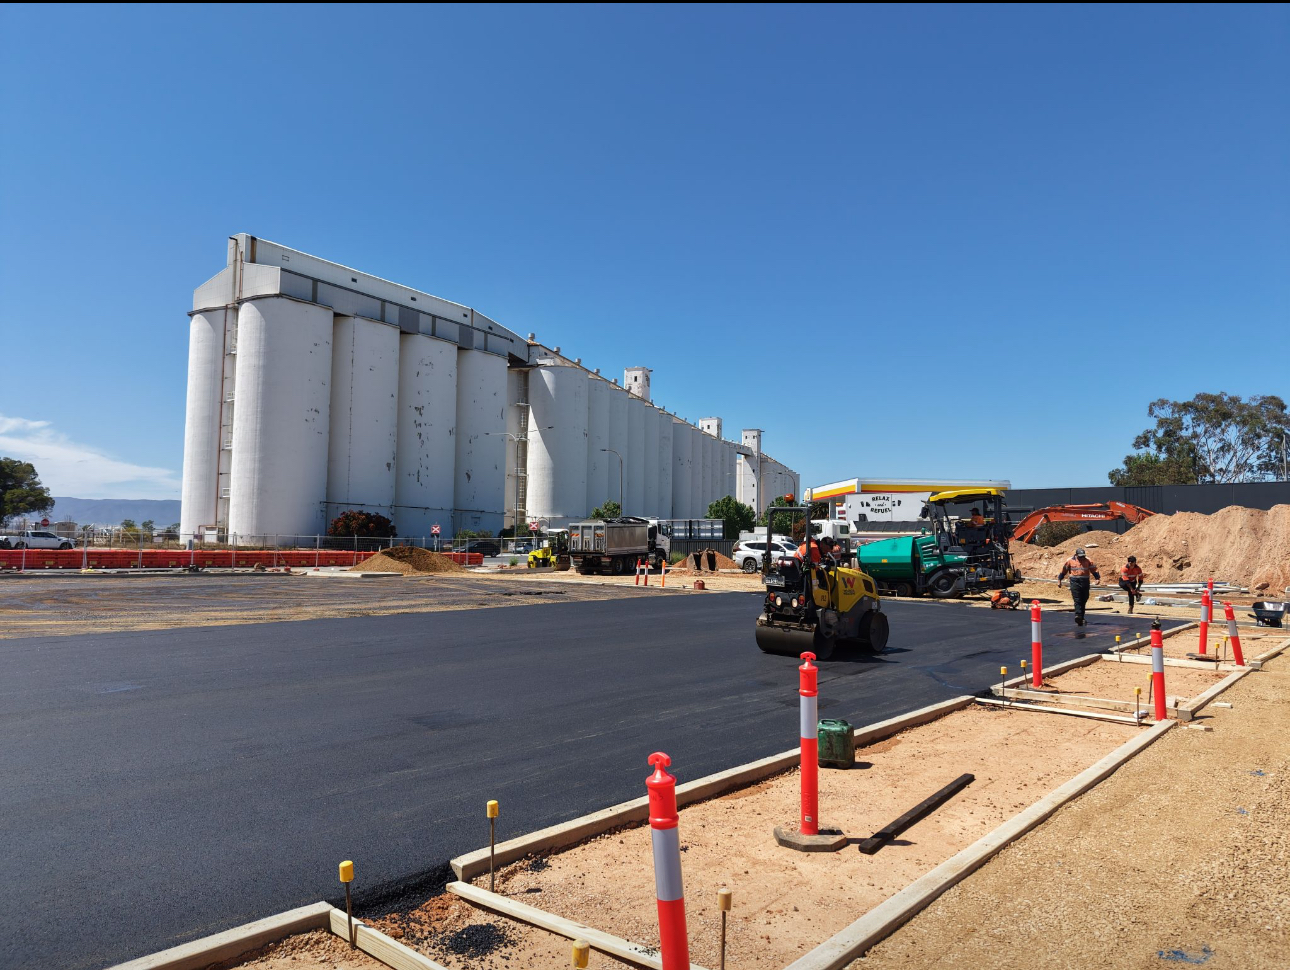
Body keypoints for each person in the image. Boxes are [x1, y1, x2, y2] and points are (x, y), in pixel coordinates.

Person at [1058, 547, 1101, 626]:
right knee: (1077, 599)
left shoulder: (1088, 560)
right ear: (1076, 555)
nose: (1082, 558)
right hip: (1074, 582)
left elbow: (1094, 570)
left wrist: (1097, 578)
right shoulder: (1069, 561)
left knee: (1084, 598)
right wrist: (1059, 580)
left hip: (1085, 582)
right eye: (1080, 556)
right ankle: (1078, 615)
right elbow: (1063, 571)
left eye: (1083, 556)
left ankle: (1082, 617)